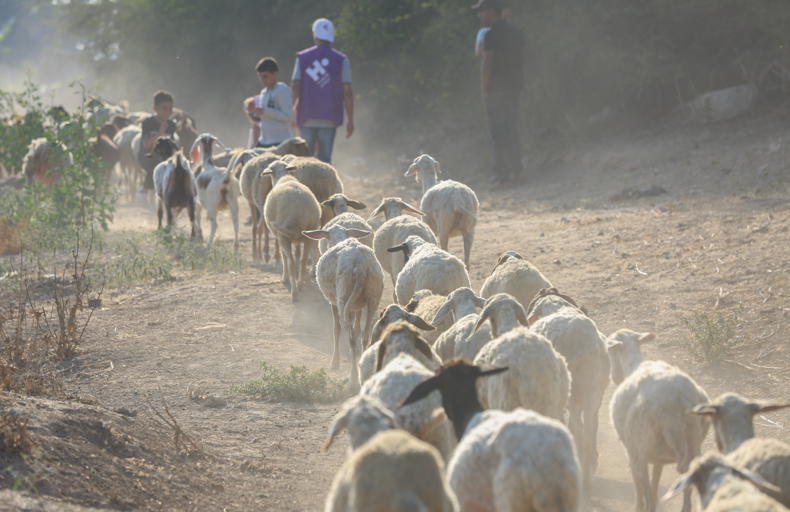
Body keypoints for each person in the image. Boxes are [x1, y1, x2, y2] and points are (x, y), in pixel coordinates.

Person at [473, 0, 526, 187]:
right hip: (515, 88)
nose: (480, 15)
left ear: (490, 11)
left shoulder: (491, 34)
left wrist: (484, 90)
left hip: (496, 90)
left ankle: (502, 177)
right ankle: (517, 172)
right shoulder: (517, 33)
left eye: (481, 12)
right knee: (510, 130)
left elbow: (486, 65)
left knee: (496, 134)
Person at [291, 18, 354, 164]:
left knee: (305, 161)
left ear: (315, 35)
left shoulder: (303, 58)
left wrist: (288, 111)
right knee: (325, 160)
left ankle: (306, 187)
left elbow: (295, 86)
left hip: (306, 117)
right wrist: (350, 120)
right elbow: (348, 91)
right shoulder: (341, 60)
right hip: (330, 118)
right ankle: (323, 187)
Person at [244, 57, 294, 149]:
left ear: (275, 74)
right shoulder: (264, 92)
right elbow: (263, 119)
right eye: (260, 76)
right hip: (264, 141)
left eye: (265, 76)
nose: (262, 79)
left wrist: (265, 111)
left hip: (280, 142)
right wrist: (252, 111)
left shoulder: (282, 90)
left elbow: (289, 117)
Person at [137, 90, 176, 203]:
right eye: (164, 108)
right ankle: (143, 191)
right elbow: (146, 145)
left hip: (163, 156)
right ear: (155, 108)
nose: (168, 111)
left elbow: (171, 144)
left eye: (170, 108)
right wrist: (159, 133)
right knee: (156, 165)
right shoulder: (148, 123)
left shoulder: (171, 124)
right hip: (146, 156)